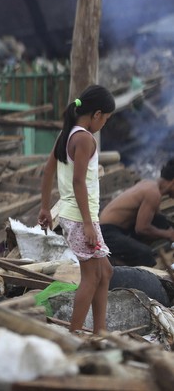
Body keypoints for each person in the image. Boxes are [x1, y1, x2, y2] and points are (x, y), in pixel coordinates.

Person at [38, 84, 115, 334]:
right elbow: (78, 181)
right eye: (106, 119)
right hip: (81, 218)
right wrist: (89, 224)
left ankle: (99, 331)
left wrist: (45, 208)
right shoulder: (84, 138)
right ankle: (74, 333)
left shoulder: (68, 135)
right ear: (97, 115)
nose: (104, 124)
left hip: (77, 216)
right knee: (92, 277)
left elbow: (48, 170)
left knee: (105, 271)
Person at [99, 159, 174, 267]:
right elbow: (141, 228)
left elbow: (156, 220)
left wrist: (168, 229)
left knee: (160, 221)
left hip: (119, 229)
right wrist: (168, 234)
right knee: (146, 255)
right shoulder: (153, 193)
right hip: (107, 233)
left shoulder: (149, 184)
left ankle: (131, 257)